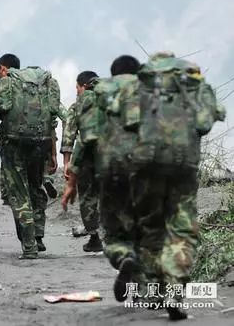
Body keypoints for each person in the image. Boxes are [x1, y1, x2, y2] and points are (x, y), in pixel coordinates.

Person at [62, 53, 225, 320]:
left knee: (130, 231)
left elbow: (89, 137)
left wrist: (73, 177)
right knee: (177, 231)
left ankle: (129, 261)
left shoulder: (108, 93)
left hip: (125, 168)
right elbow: (205, 123)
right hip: (177, 166)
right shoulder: (175, 88)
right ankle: (169, 290)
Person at [0, 54, 61, 259]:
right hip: (41, 143)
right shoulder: (43, 86)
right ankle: (39, 235)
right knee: (37, 188)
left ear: (2, 69)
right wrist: (53, 153)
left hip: (13, 146)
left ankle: (29, 245)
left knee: (19, 193)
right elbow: (52, 121)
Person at [60, 71, 103, 252]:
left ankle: (95, 238)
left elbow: (69, 136)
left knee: (87, 196)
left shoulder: (79, 104)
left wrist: (68, 163)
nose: (77, 92)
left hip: (88, 157)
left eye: (77, 88)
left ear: (84, 86)